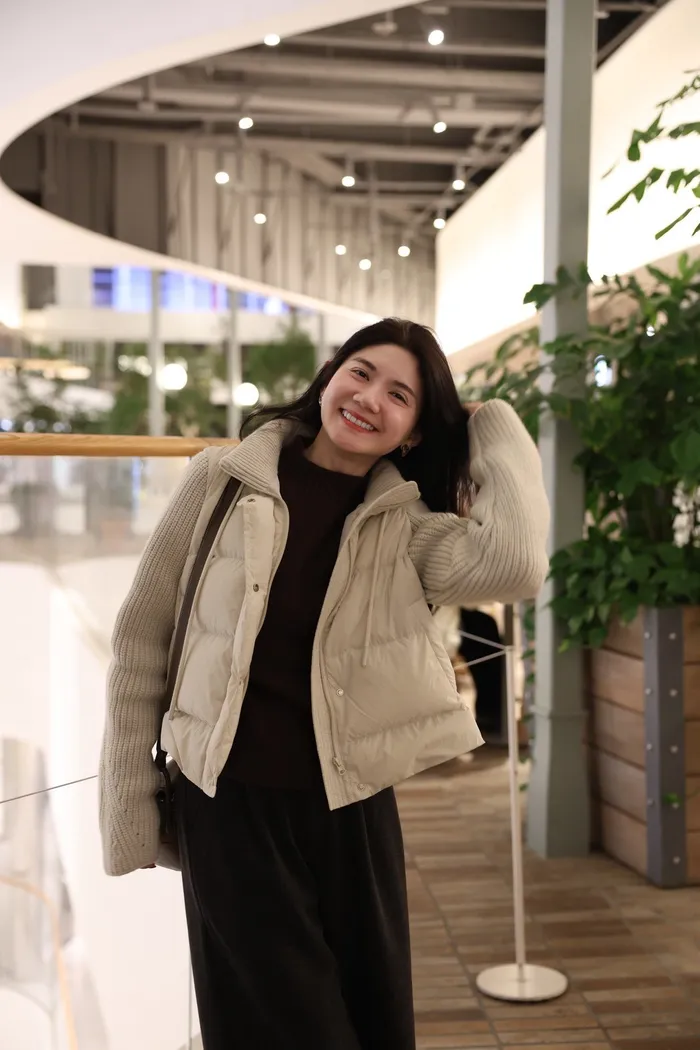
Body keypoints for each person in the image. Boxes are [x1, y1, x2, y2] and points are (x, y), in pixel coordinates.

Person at [99, 318, 549, 1050]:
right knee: (280, 1028)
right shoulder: (221, 480)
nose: (369, 398)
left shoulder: (408, 528)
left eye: (399, 395)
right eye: (361, 372)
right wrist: (129, 800)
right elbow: (140, 640)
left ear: (413, 431)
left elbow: (516, 563)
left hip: (354, 812)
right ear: (331, 374)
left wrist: (490, 420)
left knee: (371, 1023)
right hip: (230, 809)